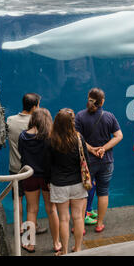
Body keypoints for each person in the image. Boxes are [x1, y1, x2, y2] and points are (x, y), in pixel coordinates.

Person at [75, 88, 123, 233]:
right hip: (106, 161)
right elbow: (119, 136)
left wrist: (91, 149)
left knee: (83, 193)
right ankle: (99, 224)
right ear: (102, 101)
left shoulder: (80, 116)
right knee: (103, 192)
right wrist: (103, 148)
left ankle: (80, 226)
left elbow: (77, 137)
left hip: (87, 162)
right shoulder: (109, 116)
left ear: (89, 98)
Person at [44, 108, 89, 255]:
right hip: (77, 184)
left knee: (63, 219)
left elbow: (47, 165)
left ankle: (64, 251)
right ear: (71, 122)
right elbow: (86, 161)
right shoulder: (78, 138)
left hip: (59, 184)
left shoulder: (51, 140)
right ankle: (78, 248)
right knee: (78, 217)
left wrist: (47, 181)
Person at [18, 108, 61, 253]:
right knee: (52, 209)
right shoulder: (50, 137)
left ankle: (29, 244)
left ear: (33, 119)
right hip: (47, 178)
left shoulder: (23, 136)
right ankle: (56, 243)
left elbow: (20, 153)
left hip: (29, 176)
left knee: (31, 209)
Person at [7, 93, 47, 235]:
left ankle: (19, 229)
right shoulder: (39, 124)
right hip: (32, 170)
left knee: (17, 200)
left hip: (15, 168)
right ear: (35, 106)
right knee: (32, 205)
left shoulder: (10, 121)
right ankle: (33, 227)